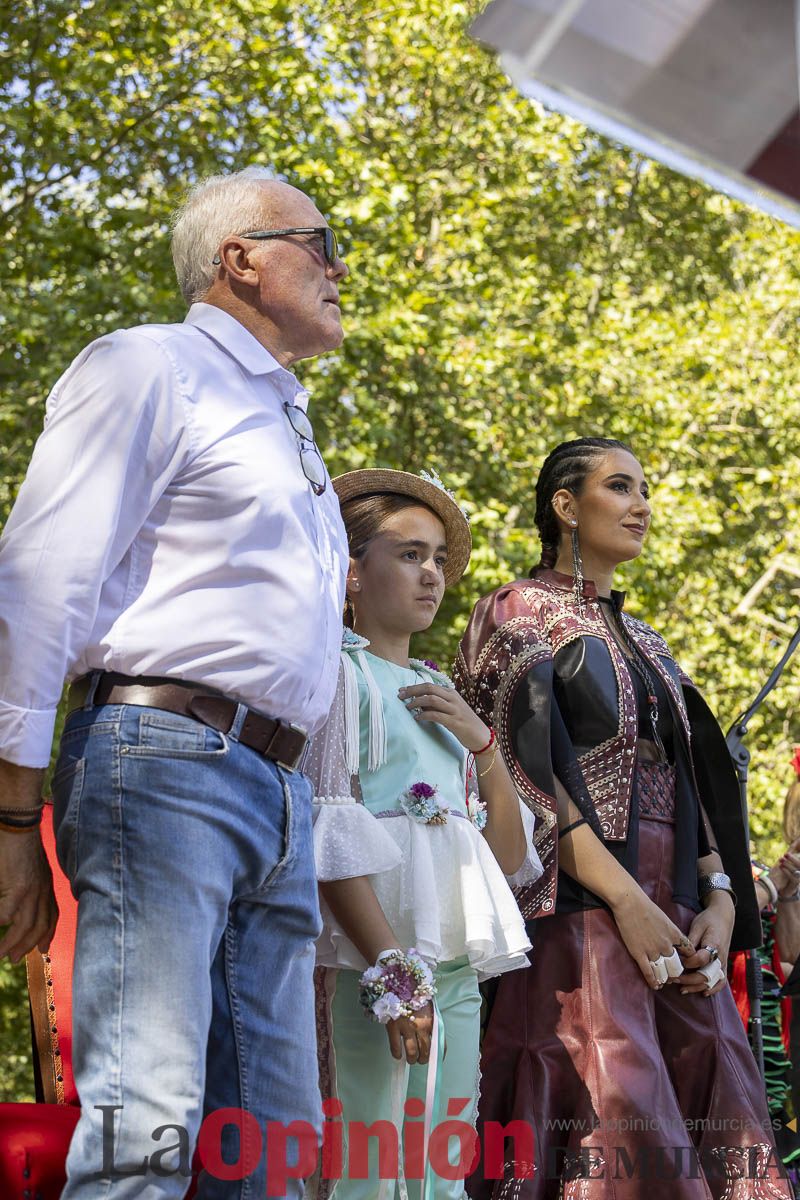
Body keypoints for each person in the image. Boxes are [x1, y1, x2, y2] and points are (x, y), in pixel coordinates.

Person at [0, 167, 349, 1198]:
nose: (339, 269)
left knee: (274, 1156)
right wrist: (13, 819)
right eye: (320, 244)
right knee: (145, 1129)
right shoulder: (147, 367)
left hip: (276, 789)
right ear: (240, 259)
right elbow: (36, 586)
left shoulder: (286, 423)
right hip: (162, 765)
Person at [454, 437, 792, 1198]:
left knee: (722, 1110)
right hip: (578, 907)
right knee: (614, 1099)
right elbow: (521, 771)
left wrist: (721, 897)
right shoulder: (517, 610)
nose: (642, 505)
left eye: (644, 488)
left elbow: (689, 778)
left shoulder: (649, 641)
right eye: (620, 487)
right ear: (565, 507)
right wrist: (627, 904)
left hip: (674, 909)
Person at [303, 468, 541, 1200]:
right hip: (367, 967)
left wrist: (486, 748)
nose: (432, 574)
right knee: (365, 1166)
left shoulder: (442, 699)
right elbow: (328, 839)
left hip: (452, 970)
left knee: (441, 1166)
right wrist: (392, 977)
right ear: (349, 571)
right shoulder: (334, 679)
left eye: (439, 557)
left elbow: (501, 860)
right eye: (409, 554)